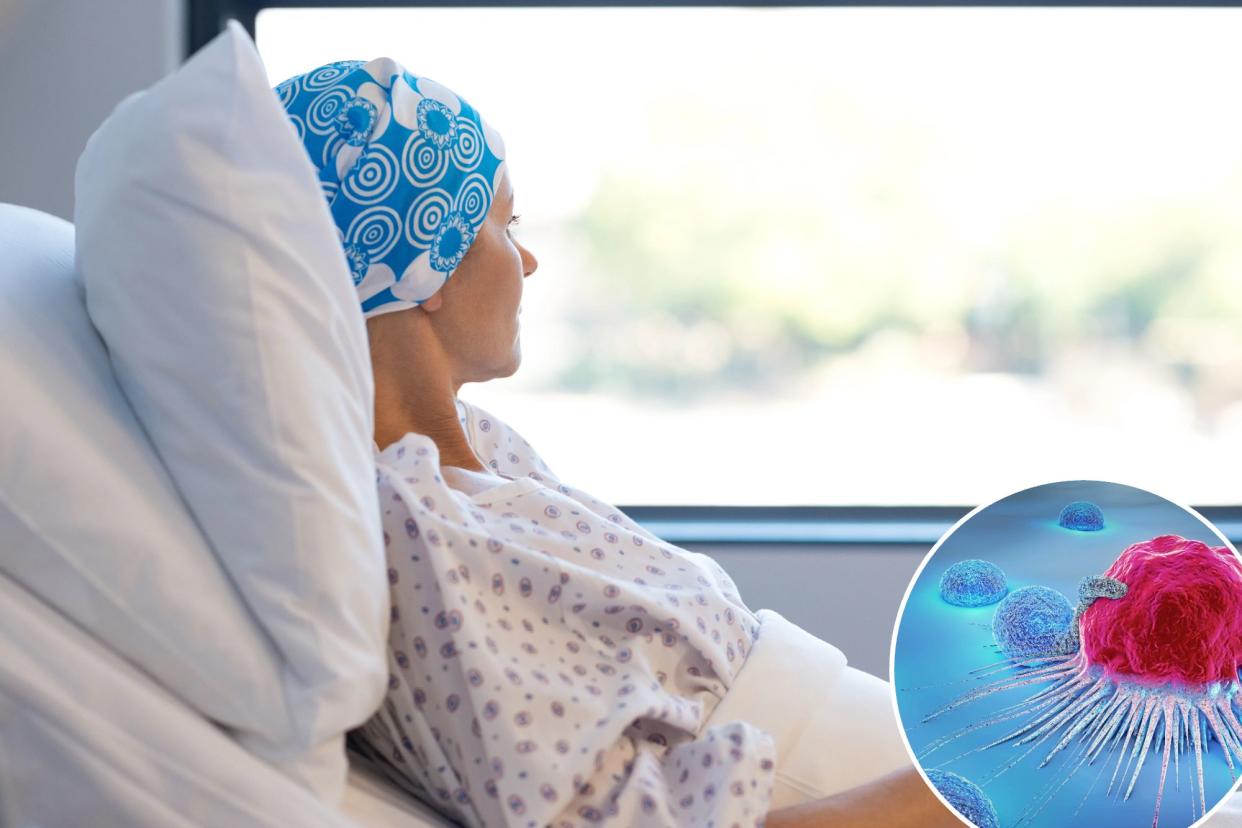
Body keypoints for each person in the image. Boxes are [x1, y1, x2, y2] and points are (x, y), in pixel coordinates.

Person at [275, 58, 960, 828]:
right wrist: (962, 796)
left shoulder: (484, 451)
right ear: (427, 254)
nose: (527, 260)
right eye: (506, 224)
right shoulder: (406, 529)